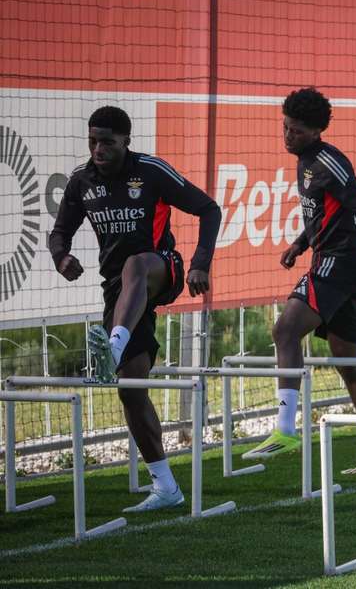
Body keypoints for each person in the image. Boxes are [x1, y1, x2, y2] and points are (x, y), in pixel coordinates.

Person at [49, 106, 222, 512]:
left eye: (107, 141)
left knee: (135, 264)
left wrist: (199, 262)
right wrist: (61, 258)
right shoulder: (81, 182)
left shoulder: (151, 171)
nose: (98, 149)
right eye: (93, 141)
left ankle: (110, 348)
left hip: (162, 267)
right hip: (120, 294)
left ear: (126, 140)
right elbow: (60, 233)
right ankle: (166, 487)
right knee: (132, 390)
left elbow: (209, 209)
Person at [243, 87, 356, 475]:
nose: (287, 136)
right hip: (335, 262)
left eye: (295, 131)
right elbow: (324, 214)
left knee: (284, 330)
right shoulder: (304, 158)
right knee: (347, 361)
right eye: (285, 128)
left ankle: (285, 428)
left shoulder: (330, 162)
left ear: (315, 132)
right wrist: (298, 243)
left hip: (340, 264)